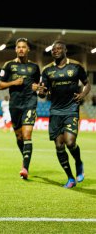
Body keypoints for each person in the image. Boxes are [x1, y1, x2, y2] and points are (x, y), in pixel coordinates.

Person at [38, 40, 91, 188]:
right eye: (53, 49)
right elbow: (44, 92)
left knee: (70, 142)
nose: (55, 51)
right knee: (59, 146)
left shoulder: (76, 66)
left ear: (65, 50)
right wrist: (41, 92)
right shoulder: (47, 70)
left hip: (71, 109)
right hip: (55, 111)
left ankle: (79, 163)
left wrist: (82, 95)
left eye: (59, 48)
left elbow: (87, 83)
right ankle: (70, 178)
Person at [0, 38, 41, 180]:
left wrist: (39, 89)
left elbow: (41, 88)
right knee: (19, 137)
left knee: (27, 134)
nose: (21, 49)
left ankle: (25, 168)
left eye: (24, 47)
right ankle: (25, 159)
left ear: (28, 49)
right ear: (16, 49)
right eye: (19, 47)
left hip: (30, 103)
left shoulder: (35, 67)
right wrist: (14, 82)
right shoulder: (9, 65)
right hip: (15, 105)